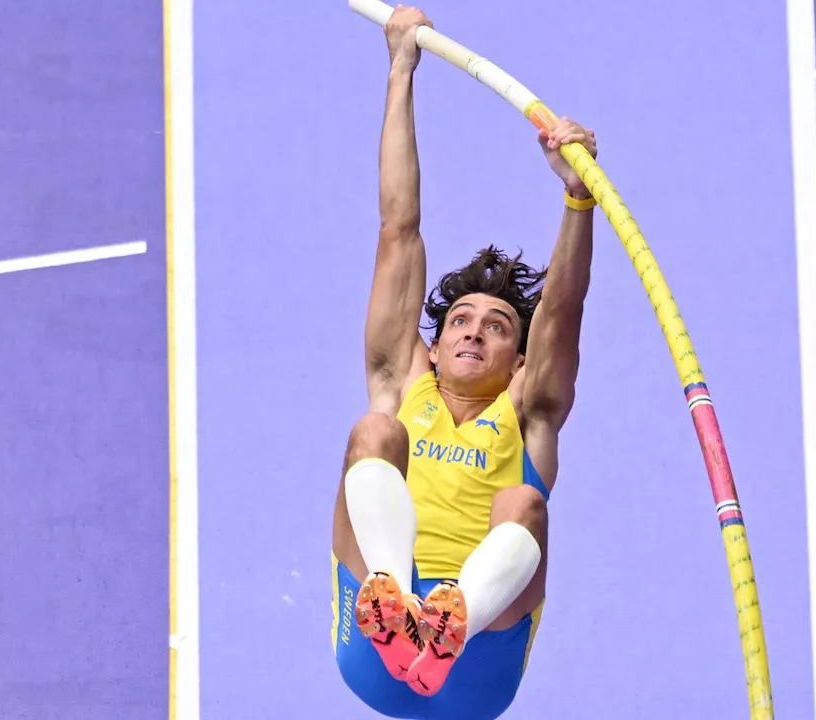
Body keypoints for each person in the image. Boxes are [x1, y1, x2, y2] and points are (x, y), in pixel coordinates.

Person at [330, 5, 597, 718]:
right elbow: (398, 228)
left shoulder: (530, 412)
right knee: (375, 436)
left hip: (478, 668)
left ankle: (451, 620)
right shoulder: (401, 380)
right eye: (459, 321)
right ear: (436, 340)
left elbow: (563, 317)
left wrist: (578, 198)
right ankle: (396, 603)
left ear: (519, 359)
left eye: (499, 325)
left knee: (523, 504)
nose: (474, 332)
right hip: (373, 651)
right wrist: (400, 68)